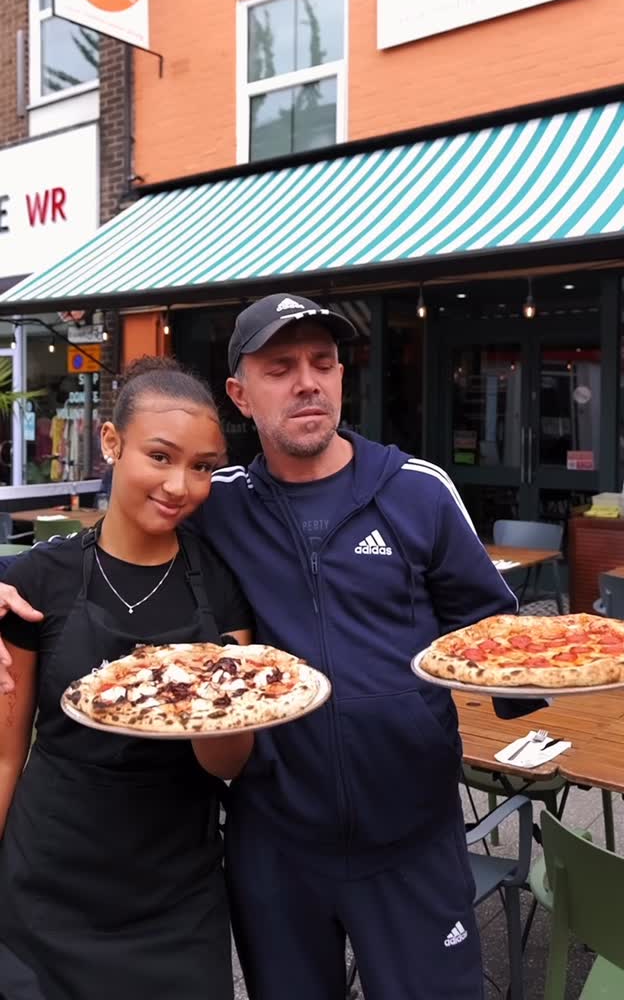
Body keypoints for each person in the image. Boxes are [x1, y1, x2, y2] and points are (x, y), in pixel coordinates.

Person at [0, 293, 525, 1000]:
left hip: (411, 841)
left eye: (324, 363)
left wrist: (540, 680)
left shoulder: (418, 492)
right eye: (281, 367)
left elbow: (502, 640)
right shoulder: (222, 501)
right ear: (241, 394)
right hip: (273, 846)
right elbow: (122, 520)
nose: (308, 381)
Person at [0, 357, 254, 1000]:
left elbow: (227, 763)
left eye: (201, 467)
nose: (181, 485)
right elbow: (4, 756)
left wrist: (217, 688)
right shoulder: (37, 581)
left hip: (176, 890)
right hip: (47, 879)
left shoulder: (220, 585)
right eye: (161, 456)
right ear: (112, 444)